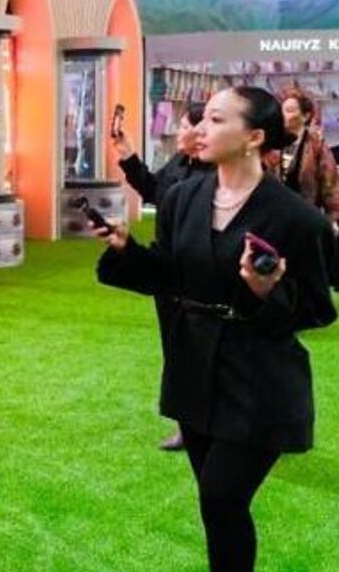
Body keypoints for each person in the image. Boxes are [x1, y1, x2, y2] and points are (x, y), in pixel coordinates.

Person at [93, 87, 336, 572]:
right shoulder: (182, 198)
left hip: (259, 379)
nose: (199, 130)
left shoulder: (297, 218)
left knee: (223, 496)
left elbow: (315, 310)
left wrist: (264, 291)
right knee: (215, 504)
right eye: (202, 118)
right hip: (193, 370)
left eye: (217, 120)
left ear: (254, 137)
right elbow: (167, 273)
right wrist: (126, 250)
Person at [112, 101, 212, 453]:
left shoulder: (218, 173)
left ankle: (222, 426)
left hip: (200, 277)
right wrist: (128, 155)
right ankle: (188, 425)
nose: (178, 131)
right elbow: (154, 190)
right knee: (175, 351)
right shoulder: (180, 163)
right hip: (167, 273)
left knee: (207, 355)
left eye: (184, 126)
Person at [267, 91, 339, 290]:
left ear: (305, 115)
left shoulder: (316, 145)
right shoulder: (270, 142)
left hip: (304, 211)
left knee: (302, 261)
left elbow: (329, 180)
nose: (284, 114)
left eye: (290, 110)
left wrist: (333, 216)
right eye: (282, 110)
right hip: (272, 212)